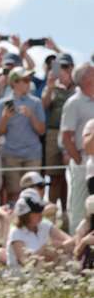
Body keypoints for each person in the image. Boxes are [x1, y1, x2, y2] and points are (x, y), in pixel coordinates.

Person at [0, 67, 46, 202]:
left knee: (34, 193)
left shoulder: (36, 102)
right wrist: (5, 118)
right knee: (14, 193)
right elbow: (0, 131)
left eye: (29, 80)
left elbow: (41, 130)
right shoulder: (2, 104)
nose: (29, 82)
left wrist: (31, 116)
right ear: (14, 82)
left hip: (32, 154)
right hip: (11, 154)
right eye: (25, 80)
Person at [61, 63, 94, 232]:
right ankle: (75, 243)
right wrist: (79, 160)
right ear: (86, 79)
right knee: (78, 204)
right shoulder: (73, 103)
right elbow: (66, 137)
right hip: (83, 158)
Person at [5, 190, 73, 270]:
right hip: (24, 278)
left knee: (65, 258)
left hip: (45, 272)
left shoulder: (44, 224)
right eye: (36, 211)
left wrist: (60, 246)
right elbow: (25, 262)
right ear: (26, 215)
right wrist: (42, 251)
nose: (40, 213)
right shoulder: (16, 233)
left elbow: (71, 241)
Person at [41, 52, 75, 210]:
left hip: (75, 133)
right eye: (60, 67)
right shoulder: (52, 87)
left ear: (72, 68)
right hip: (54, 133)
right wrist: (49, 87)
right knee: (55, 177)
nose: (63, 70)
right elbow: (43, 106)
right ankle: (52, 213)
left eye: (66, 66)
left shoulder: (81, 86)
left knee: (74, 175)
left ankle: (69, 213)